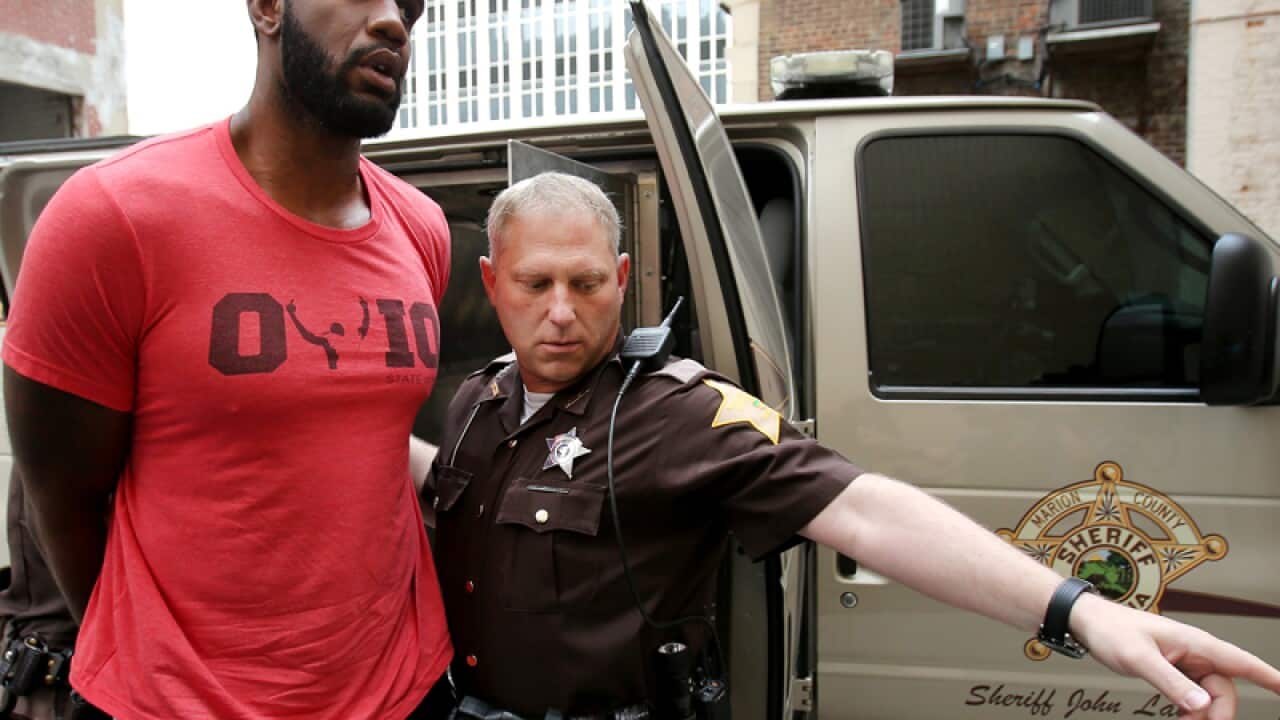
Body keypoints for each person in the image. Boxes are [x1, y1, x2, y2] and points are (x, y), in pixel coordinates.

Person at [425, 171, 1280, 720]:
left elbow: (869, 512)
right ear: (493, 284)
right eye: (536, 284)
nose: (563, 310)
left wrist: (1083, 612)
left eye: (585, 283)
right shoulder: (478, 401)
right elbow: (450, 494)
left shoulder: (680, 414)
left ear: (622, 278)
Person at [2, 0, 456, 717]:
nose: (395, 22)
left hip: (404, 691)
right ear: (268, 7)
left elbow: (354, 431)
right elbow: (61, 497)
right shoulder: (113, 217)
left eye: (409, 4)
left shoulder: (421, 230)